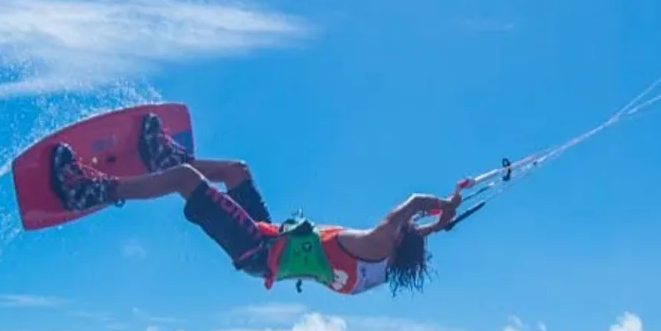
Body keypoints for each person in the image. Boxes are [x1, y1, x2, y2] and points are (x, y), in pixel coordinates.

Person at [49, 113, 461, 296]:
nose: (408, 227)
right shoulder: (383, 267)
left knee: (185, 183)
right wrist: (444, 219)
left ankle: (92, 189)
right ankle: (163, 157)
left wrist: (440, 204)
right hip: (270, 238)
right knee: (235, 171)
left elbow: (410, 207)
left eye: (408, 231)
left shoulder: (376, 244)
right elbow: (417, 233)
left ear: (397, 241)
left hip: (256, 251)